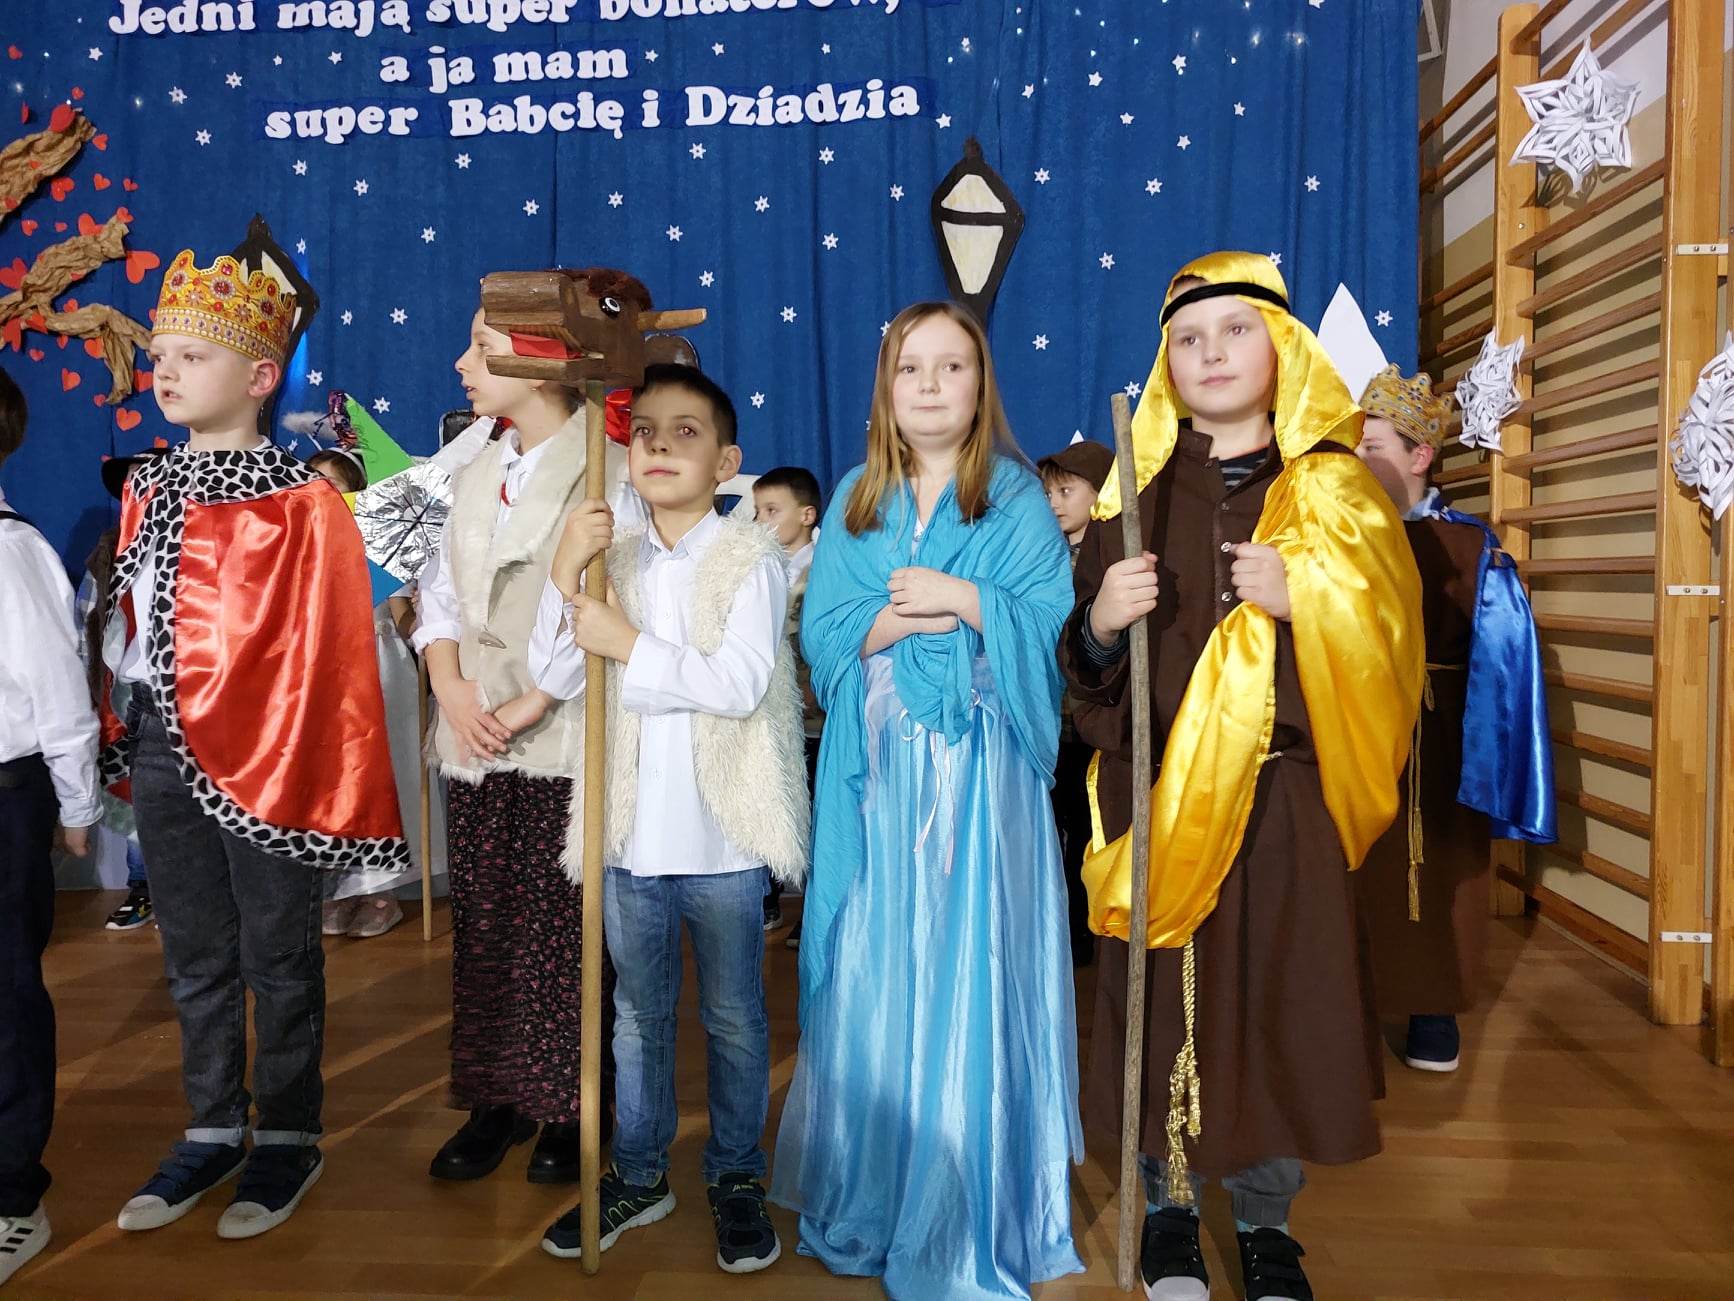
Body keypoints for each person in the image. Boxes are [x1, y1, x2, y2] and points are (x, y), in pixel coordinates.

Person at [1063, 253, 1424, 1300]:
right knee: (1163, 1009)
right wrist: (1100, 622)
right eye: (1188, 338)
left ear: (1284, 351)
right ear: (1164, 364)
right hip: (1161, 798)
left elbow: (1392, 654)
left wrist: (1312, 601)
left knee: (1276, 1005)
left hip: (1282, 803)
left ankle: (1267, 1224)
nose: (1210, 353)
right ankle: (1171, 1212)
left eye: (1235, 331)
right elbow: (1081, 679)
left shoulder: (1336, 491)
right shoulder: (1132, 498)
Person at [772, 301, 1084, 1300]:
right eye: (912, 368)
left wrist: (960, 599)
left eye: (953, 366)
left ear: (981, 383)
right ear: (888, 389)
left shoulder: (1017, 499)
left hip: (981, 782)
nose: (932, 385)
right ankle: (876, 1190)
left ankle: (966, 1204)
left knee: (969, 964)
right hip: (878, 779)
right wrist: (896, 622)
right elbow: (825, 634)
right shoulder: (859, 497)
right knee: (875, 963)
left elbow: (1051, 624)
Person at [103, 239, 408, 1240]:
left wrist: (317, 767)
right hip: (164, 743)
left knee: (278, 953)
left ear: (261, 376)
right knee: (194, 951)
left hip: (266, 756)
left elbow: (333, 649)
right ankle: (210, 1124)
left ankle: (285, 1132)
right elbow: (136, 620)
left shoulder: (300, 499)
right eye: (161, 355)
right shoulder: (144, 487)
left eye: (193, 355)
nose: (166, 371)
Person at [531, 363, 807, 1276]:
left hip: (722, 840)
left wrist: (629, 643)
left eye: (685, 431)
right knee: (637, 1016)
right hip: (629, 839)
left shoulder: (750, 557)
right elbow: (557, 671)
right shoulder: (614, 555)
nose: (657, 444)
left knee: (732, 1018)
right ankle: (641, 1170)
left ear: (727, 461)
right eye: (644, 430)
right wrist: (566, 570)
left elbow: (738, 684)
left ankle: (735, 1171)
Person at [414, 271, 631, 1189]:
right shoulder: (472, 462)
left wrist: (532, 700)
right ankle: (493, 1095)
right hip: (475, 731)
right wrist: (449, 684)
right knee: (487, 923)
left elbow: (604, 598)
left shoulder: (606, 467)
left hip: (561, 733)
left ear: (541, 358)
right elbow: (435, 590)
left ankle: (568, 1102)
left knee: (561, 931)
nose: (462, 363)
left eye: (482, 346)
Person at [1353, 364, 1554, 1073]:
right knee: (1357, 862)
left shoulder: (1471, 544)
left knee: (1441, 866)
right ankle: (1351, 1006)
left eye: (1373, 446)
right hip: (1357, 725)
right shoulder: (1340, 537)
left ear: (1419, 457)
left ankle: (1434, 1007)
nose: (1358, 458)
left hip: (1443, 736)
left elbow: (1504, 656)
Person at [0, 365, 100, 1286]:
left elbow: (57, 687)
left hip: (6, 790)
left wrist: (77, 804)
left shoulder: (15, 549)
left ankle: (13, 1194)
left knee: (5, 992)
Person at [306, 446, 439, 941]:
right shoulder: (297, 544)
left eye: (335, 485)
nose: (325, 494)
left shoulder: (384, 543)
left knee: (386, 777)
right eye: (315, 484)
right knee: (334, 783)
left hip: (379, 672)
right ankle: (341, 889)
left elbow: (403, 614)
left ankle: (382, 890)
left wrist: (422, 621)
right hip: (321, 677)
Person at [1037, 439, 1116, 964]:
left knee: (1092, 825)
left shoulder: (1114, 557)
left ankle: (1090, 926)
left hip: (1095, 721)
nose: (1054, 504)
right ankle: (1058, 928)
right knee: (1052, 825)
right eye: (1048, 494)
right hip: (1049, 718)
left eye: (1066, 492)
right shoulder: (1040, 558)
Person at [751, 465, 822, 935]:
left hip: (812, 711)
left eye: (772, 511)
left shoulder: (825, 569)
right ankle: (766, 897)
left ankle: (813, 911)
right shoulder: (757, 568)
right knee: (768, 800)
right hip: (766, 707)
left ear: (807, 515)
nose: (761, 521)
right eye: (758, 511)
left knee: (816, 806)